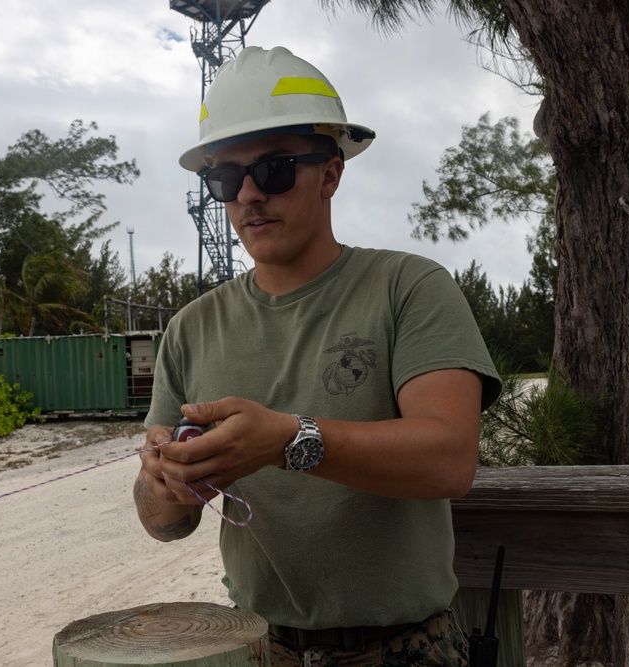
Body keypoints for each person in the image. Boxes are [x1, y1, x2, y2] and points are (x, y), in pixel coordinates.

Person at [133, 45, 501, 666]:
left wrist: (286, 441)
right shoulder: (192, 329)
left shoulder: (408, 288)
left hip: (405, 648)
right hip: (255, 647)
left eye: (274, 169)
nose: (248, 194)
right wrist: (168, 483)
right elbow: (163, 525)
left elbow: (449, 459)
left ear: (331, 174)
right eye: (225, 178)